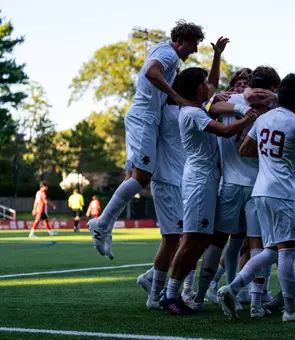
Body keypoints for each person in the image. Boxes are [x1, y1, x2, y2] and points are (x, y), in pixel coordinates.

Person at [87, 20, 205, 260]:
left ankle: (105, 226)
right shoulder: (168, 53)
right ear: (180, 41)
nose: (194, 50)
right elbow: (152, 72)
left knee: (134, 176)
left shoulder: (165, 52)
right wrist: (176, 96)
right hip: (144, 118)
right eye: (193, 44)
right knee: (142, 177)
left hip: (143, 117)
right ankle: (102, 222)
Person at [218, 73, 295, 323]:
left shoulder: (263, 119)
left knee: (271, 250)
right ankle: (290, 309)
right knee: (287, 250)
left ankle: (232, 288)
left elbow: (245, 149)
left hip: (261, 191)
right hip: (284, 192)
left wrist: (269, 159)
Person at [136, 36, 229, 310]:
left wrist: (216, 57)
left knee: (187, 239)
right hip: (169, 179)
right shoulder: (175, 111)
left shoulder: (191, 107)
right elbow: (154, 75)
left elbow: (209, 86)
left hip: (185, 179)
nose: (208, 89)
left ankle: (157, 283)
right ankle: (161, 293)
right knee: (177, 239)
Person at [160, 65, 260, 315]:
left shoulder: (197, 110)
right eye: (206, 83)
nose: (210, 86)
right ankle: (171, 295)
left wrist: (217, 60)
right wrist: (248, 117)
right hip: (198, 182)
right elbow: (226, 131)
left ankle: (173, 292)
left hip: (206, 181)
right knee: (191, 240)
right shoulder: (193, 113)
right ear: (198, 88)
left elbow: (215, 102)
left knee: (201, 240)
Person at [194, 66, 281, 318]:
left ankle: (199, 297)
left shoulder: (230, 100)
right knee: (257, 244)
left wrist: (239, 105)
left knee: (219, 242)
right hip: (258, 185)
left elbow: (212, 109)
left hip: (230, 184)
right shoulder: (274, 106)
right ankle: (255, 304)